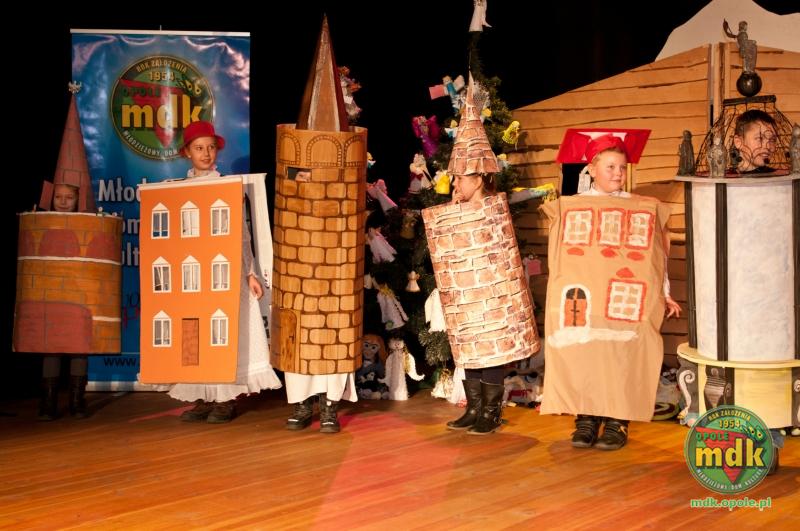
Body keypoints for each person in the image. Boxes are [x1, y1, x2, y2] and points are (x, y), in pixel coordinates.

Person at [545, 129, 680, 451]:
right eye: (610, 167)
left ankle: (618, 421)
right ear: (592, 169)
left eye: (622, 168)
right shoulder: (573, 207)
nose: (618, 174)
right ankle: (586, 419)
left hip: (625, 304)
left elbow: (656, 256)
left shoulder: (640, 208)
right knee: (586, 356)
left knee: (623, 358)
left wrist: (663, 291)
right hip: (588, 300)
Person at [168, 120, 282, 423]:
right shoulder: (177, 190)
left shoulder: (227, 186)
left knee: (224, 330)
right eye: (199, 148)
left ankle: (226, 398)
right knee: (195, 332)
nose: (206, 153)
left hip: (223, 270)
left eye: (210, 147)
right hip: (193, 274)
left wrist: (249, 272)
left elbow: (241, 233)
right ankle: (203, 396)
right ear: (187, 152)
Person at [36, 184, 91, 420]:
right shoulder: (44, 224)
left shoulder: (85, 225)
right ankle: (48, 404)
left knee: (79, 347)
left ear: (78, 200)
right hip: (52, 296)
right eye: (58, 197)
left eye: (69, 197)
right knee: (52, 348)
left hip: (77, 293)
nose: (63, 201)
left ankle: (77, 402)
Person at [731, 109, 778, 174]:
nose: (768, 146)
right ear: (738, 142)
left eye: (772, 140)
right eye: (760, 138)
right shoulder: (726, 177)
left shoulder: (780, 177)